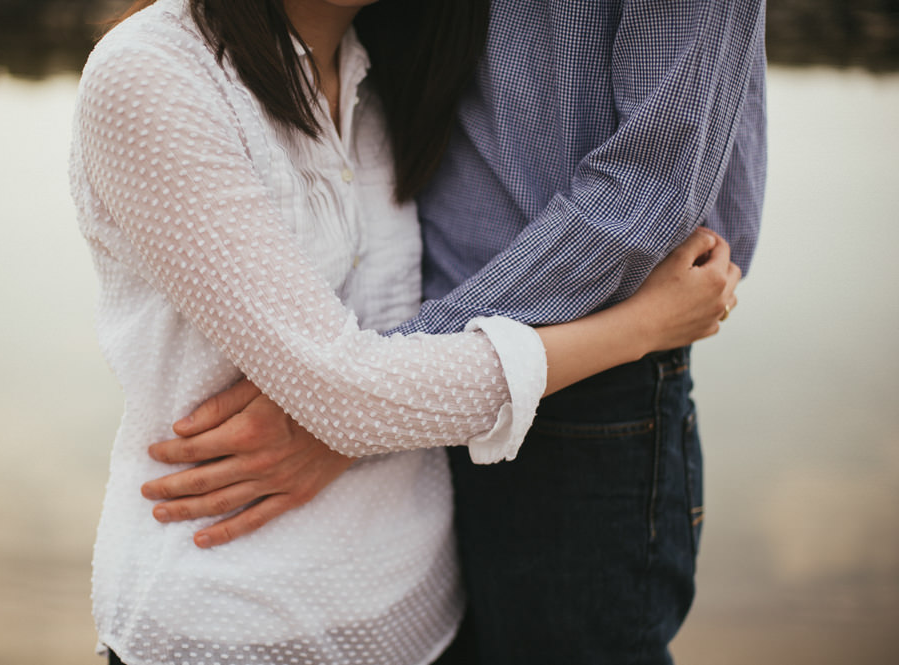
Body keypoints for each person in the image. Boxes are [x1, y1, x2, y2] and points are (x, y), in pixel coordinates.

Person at [72, 0, 741, 663]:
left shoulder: (376, 73)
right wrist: (640, 326)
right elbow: (347, 396)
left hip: (427, 620)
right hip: (232, 627)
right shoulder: (152, 73)